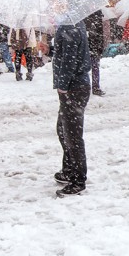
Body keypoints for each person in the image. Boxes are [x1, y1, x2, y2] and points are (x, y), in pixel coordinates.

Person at [52, 19, 93, 197]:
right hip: (75, 85)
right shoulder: (73, 23)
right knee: (63, 130)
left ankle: (78, 180)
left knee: (72, 135)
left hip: (74, 87)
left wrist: (62, 84)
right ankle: (69, 169)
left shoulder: (70, 26)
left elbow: (70, 59)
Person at [84, 9, 108, 96]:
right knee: (93, 67)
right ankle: (94, 87)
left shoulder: (86, 14)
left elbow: (100, 33)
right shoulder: (96, 14)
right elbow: (100, 33)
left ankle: (93, 87)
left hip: (91, 45)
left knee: (92, 67)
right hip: (92, 45)